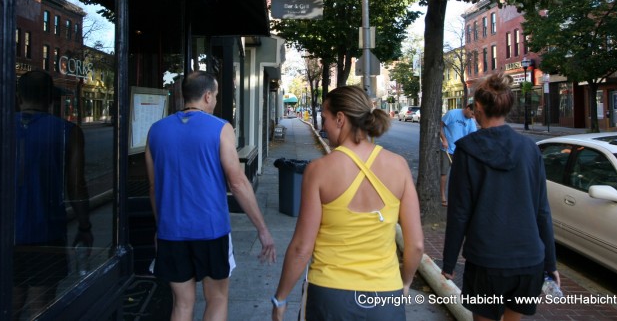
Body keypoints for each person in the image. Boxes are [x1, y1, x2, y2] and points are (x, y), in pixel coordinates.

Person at [272, 85, 424, 321]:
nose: (323, 126)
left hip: (329, 297)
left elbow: (302, 247)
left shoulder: (319, 170)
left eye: (325, 118)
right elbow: (415, 245)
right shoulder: (399, 166)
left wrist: (280, 298)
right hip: (385, 296)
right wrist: (404, 283)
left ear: (340, 119)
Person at [145, 71, 276, 321]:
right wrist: (262, 229)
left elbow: (153, 187)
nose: (215, 101)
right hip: (211, 231)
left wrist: (160, 226)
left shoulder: (155, 131)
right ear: (207, 96)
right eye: (215, 96)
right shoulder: (221, 128)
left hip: (171, 231)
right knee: (217, 298)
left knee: (181, 305)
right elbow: (237, 182)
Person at [441, 72, 559, 321]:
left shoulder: (467, 150)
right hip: (529, 261)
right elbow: (542, 210)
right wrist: (551, 265)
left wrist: (449, 263)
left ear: (480, 107)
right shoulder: (530, 149)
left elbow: (459, 211)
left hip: (486, 260)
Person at [13, 70, 93, 317]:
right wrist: (84, 226)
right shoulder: (67, 131)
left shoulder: (0, 127)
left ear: (19, 96)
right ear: (52, 98)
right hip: (46, 230)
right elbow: (75, 184)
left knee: (9, 304)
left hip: (6, 231)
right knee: (41, 306)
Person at [439, 103, 477, 206]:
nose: (472, 116)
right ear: (468, 108)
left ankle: (458, 197)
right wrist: (444, 139)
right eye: (472, 113)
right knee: (444, 173)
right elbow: (440, 126)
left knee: (460, 175)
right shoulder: (452, 114)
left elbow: (472, 137)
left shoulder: (471, 122)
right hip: (446, 149)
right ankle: (442, 195)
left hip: (460, 151)